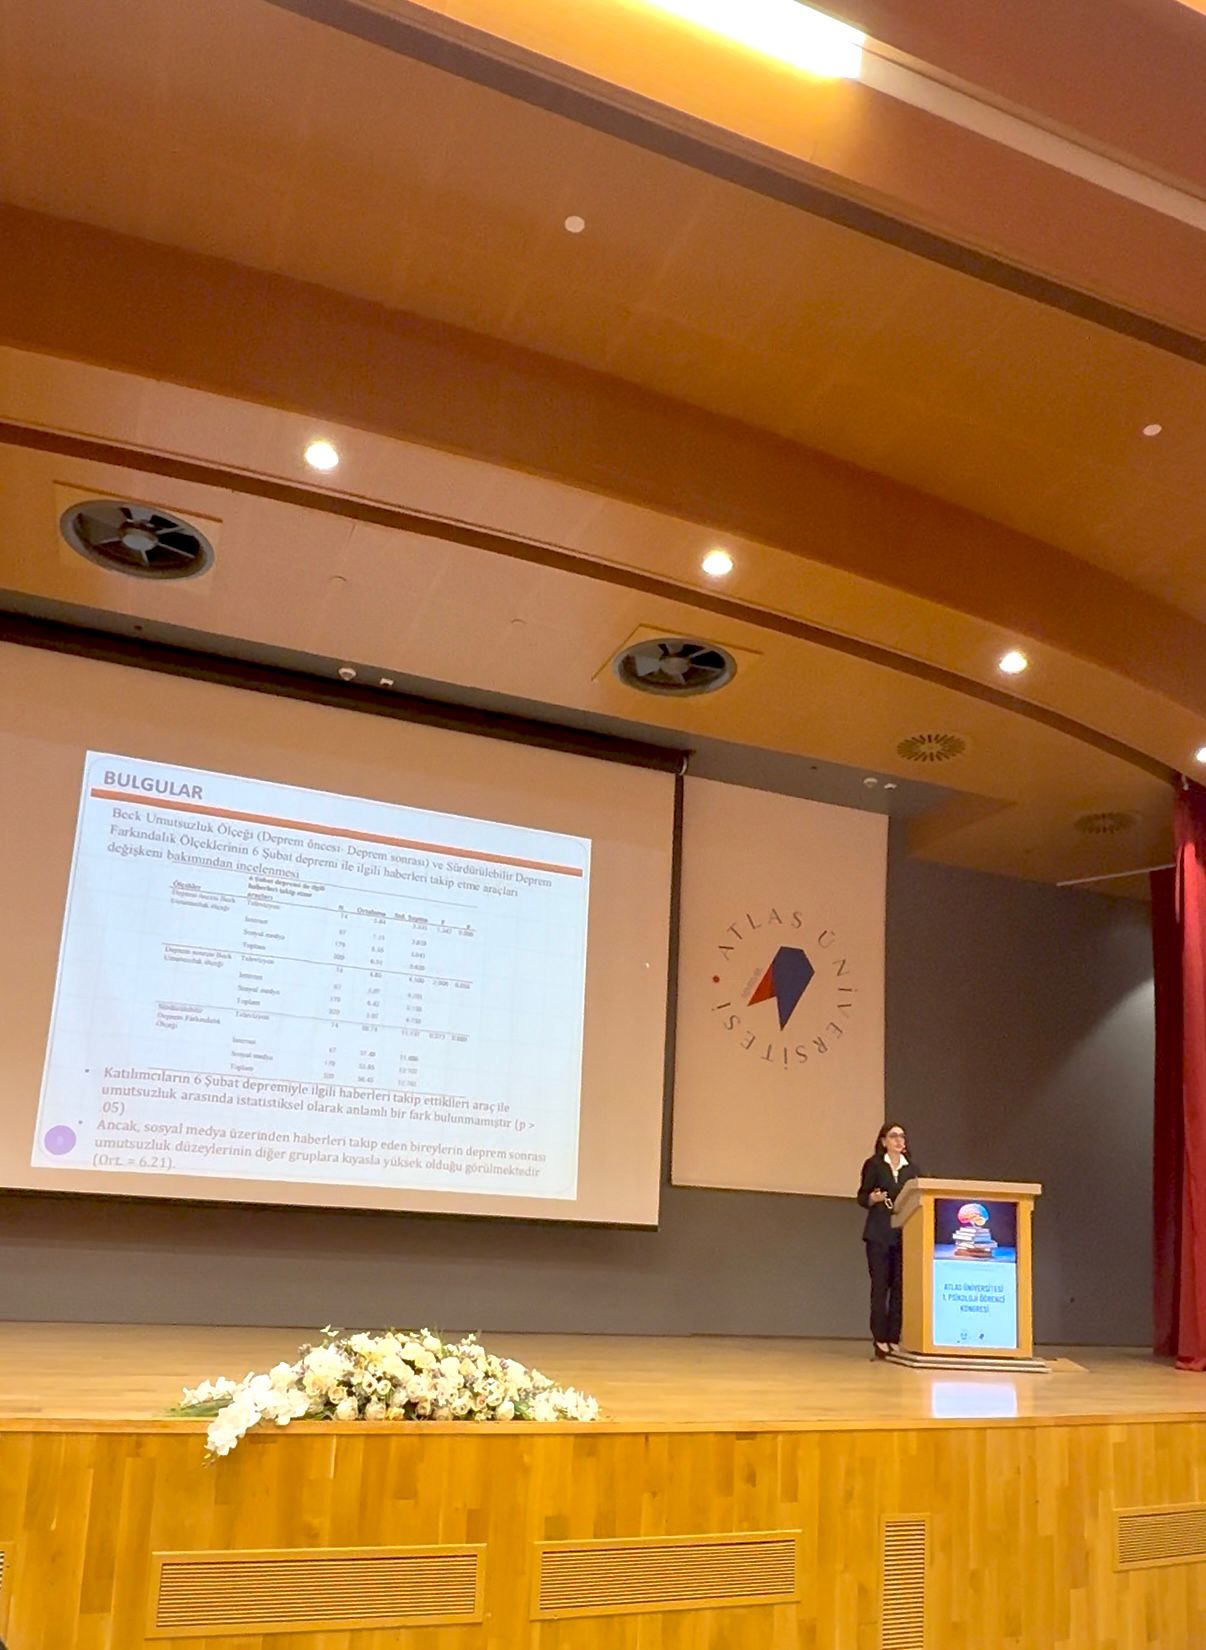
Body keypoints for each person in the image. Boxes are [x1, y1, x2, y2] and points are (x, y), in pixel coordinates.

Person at [857, 1122, 918, 1358]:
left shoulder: (912, 1169)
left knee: (899, 1287)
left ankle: (894, 1337)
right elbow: (862, 1196)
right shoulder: (874, 1165)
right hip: (879, 1233)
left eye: (902, 1136)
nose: (899, 1140)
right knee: (880, 1286)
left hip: (904, 1234)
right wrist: (872, 1199)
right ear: (883, 1141)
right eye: (894, 1136)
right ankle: (880, 1338)